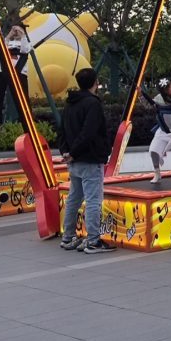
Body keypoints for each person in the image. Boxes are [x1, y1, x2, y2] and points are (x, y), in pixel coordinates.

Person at [59, 67, 115, 253]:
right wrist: (74, 152)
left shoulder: (70, 104)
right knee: (93, 200)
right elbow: (89, 131)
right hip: (89, 158)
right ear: (95, 83)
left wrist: (67, 152)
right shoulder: (93, 104)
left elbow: (62, 130)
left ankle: (68, 237)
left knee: (74, 198)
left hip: (74, 160)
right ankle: (93, 241)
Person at [0, 25, 31, 140]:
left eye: (18, 30)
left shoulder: (26, 42)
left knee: (24, 99)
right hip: (4, 71)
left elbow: (25, 50)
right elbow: (1, 48)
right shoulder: (7, 42)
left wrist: (22, 34)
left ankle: (28, 127)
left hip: (20, 72)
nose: (16, 32)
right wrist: (9, 35)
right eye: (15, 31)